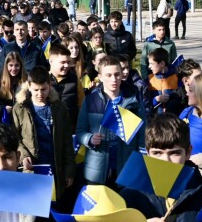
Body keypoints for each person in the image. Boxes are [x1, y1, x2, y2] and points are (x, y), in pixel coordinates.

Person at [75, 55, 146, 184]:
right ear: (100, 77)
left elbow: (143, 133)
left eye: (117, 74)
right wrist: (89, 139)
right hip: (97, 168)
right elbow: (80, 132)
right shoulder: (90, 100)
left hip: (126, 166)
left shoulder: (133, 99)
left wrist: (141, 158)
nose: (114, 79)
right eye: (108, 75)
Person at [12, 67, 76, 202]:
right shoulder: (20, 108)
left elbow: (67, 141)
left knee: (54, 203)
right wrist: (23, 155)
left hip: (55, 166)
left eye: (43, 89)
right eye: (36, 90)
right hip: (32, 166)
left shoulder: (59, 108)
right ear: (29, 86)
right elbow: (14, 137)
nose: (40, 94)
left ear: (50, 86)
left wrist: (69, 171)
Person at [145, 48, 183, 117]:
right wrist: (156, 99)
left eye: (151, 64)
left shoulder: (177, 78)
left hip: (174, 118)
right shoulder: (149, 79)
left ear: (162, 63)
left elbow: (182, 99)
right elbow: (144, 101)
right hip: (155, 118)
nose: (149, 66)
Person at [48, 42, 79, 122]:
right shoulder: (43, 80)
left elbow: (81, 105)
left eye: (68, 62)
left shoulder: (74, 79)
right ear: (51, 61)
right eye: (62, 62)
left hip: (69, 125)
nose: (66, 66)